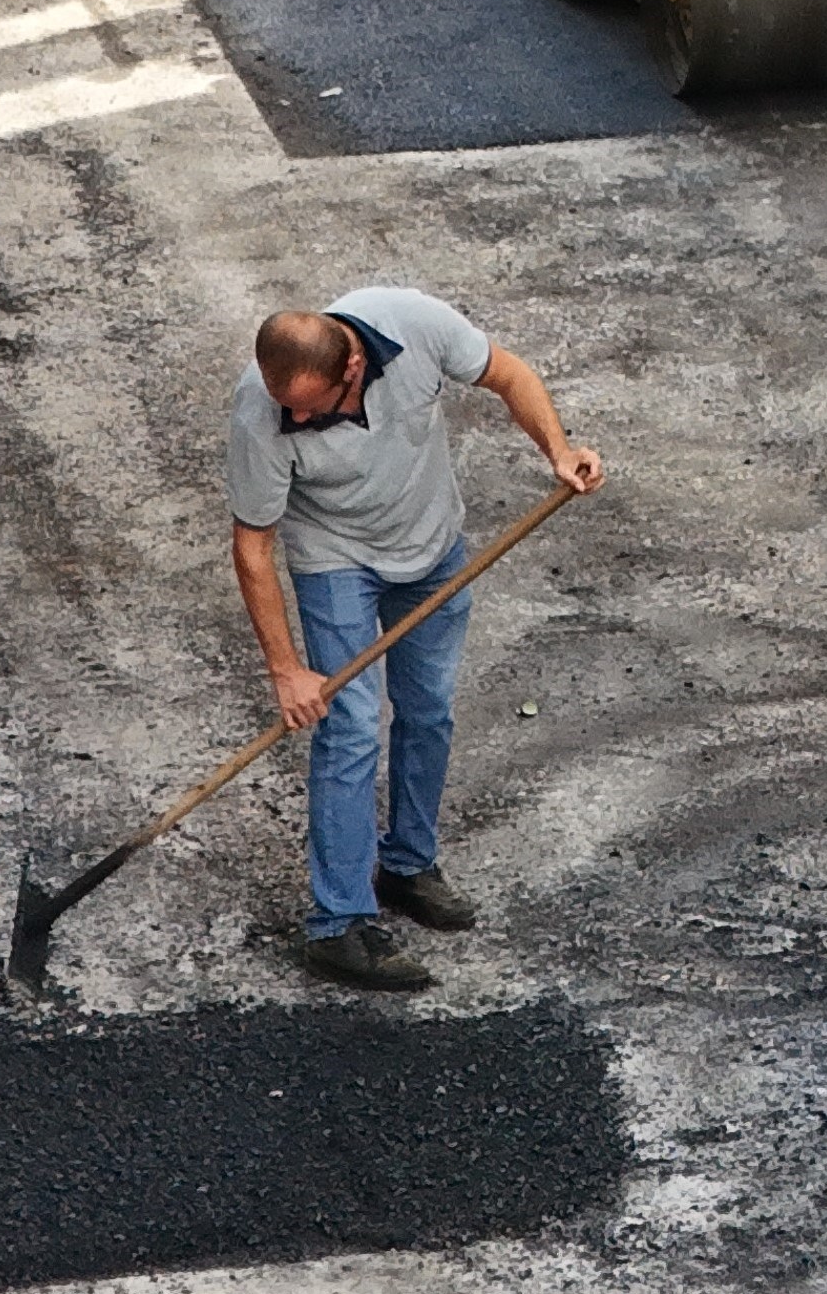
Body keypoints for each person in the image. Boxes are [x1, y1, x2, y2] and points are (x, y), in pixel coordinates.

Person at [227, 290, 599, 992]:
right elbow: (253, 549)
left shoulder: (413, 324)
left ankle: (407, 865)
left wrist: (558, 451)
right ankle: (338, 924)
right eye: (286, 407)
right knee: (349, 727)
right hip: (336, 558)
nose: (295, 420)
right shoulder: (261, 410)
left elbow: (509, 374)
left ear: (353, 365)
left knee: (428, 710)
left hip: (432, 547)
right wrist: (286, 670)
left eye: (310, 408)